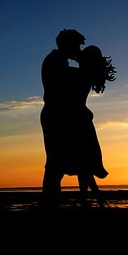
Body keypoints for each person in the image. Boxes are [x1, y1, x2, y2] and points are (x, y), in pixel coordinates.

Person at [40, 29, 86, 212]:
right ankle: (50, 206)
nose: (78, 50)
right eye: (77, 46)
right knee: (54, 164)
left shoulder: (58, 61)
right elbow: (72, 80)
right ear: (69, 45)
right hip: (55, 117)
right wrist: (85, 66)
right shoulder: (55, 62)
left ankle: (51, 205)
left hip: (57, 116)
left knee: (56, 164)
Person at [74, 44, 116, 207]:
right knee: (83, 164)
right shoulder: (86, 74)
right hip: (82, 121)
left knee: (82, 164)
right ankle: (93, 199)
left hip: (78, 122)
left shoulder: (81, 74)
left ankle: (91, 199)